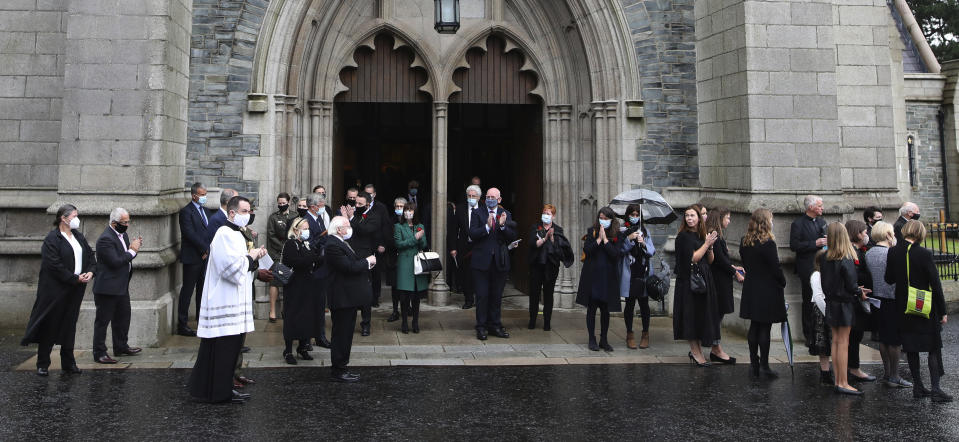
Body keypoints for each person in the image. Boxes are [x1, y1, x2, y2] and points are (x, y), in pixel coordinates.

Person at [188, 196, 266, 403]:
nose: (248, 215)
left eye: (249, 211)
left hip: (234, 301)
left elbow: (241, 266)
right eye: (244, 211)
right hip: (224, 301)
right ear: (231, 213)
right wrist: (252, 256)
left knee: (230, 351)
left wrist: (253, 258)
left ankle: (221, 389)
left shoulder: (237, 234)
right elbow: (230, 269)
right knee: (222, 352)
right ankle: (218, 393)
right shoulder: (224, 233)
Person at [21, 204, 95, 376]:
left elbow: (91, 256)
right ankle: (43, 363)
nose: (77, 219)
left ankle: (68, 362)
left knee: (70, 325)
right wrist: (73, 278)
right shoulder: (52, 239)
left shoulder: (78, 236)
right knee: (51, 324)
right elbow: (53, 265)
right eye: (74, 216)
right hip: (56, 290)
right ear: (64, 218)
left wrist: (91, 272)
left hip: (76, 288)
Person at [884, 220, 951, 402]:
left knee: (911, 347)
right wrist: (943, 311)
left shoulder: (893, 251)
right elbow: (935, 284)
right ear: (920, 233)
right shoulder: (924, 253)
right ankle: (936, 389)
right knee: (934, 347)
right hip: (924, 305)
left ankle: (918, 387)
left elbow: (888, 279)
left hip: (903, 305)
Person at [818, 222, 871, 395]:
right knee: (843, 343)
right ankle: (843, 382)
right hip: (844, 303)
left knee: (835, 341)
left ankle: (839, 380)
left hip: (831, 302)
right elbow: (851, 284)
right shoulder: (846, 257)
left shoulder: (825, 256)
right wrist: (859, 292)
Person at [325, 216, 376, 382]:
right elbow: (348, 267)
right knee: (341, 334)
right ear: (339, 229)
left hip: (348, 297)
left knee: (346, 334)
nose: (350, 228)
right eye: (347, 226)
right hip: (342, 297)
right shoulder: (332, 244)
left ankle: (342, 366)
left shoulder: (340, 242)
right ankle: (338, 370)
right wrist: (367, 262)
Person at [738, 208, 786, 378]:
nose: (772, 222)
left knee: (754, 326)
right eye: (771, 219)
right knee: (764, 327)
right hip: (767, 289)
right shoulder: (768, 243)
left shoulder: (744, 241)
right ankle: (764, 366)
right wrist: (782, 281)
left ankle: (754, 363)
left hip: (751, 287)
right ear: (766, 222)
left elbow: (746, 264)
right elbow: (776, 268)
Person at [91, 208, 143, 364]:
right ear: (114, 223)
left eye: (128, 221)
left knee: (123, 316)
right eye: (124, 222)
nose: (127, 225)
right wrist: (133, 250)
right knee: (103, 321)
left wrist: (134, 247)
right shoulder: (105, 239)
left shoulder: (123, 235)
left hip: (121, 285)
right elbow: (116, 261)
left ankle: (121, 346)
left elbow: (125, 255)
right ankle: (99, 352)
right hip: (107, 287)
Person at [865, 221, 912, 388]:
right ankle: (895, 375)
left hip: (877, 299)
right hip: (893, 298)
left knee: (883, 339)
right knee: (895, 340)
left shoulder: (869, 253)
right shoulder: (890, 253)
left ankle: (887, 373)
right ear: (888, 235)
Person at [673, 205, 720, 366]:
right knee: (691, 317)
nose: (689, 218)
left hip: (704, 280)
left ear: (699, 218)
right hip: (689, 282)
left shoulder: (701, 236)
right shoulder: (683, 237)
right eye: (687, 216)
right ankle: (695, 351)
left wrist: (710, 247)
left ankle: (698, 350)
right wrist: (706, 244)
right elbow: (693, 258)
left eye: (692, 215)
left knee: (700, 316)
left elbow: (710, 260)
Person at [468, 187, 518, 340]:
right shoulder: (478, 213)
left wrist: (502, 226)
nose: (490, 199)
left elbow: (512, 236)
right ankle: (481, 326)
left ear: (499, 199)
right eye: (488, 196)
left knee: (496, 296)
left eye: (493, 197)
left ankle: (495, 325)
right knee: (482, 296)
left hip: (499, 262)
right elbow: (472, 234)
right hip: (481, 262)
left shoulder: (506, 214)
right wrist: (487, 227)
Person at [576, 207, 626, 351]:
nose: (603, 221)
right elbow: (587, 250)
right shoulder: (592, 230)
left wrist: (605, 240)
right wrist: (598, 239)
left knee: (605, 309)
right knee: (591, 309)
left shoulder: (618, 234)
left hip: (608, 277)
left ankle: (604, 339)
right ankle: (592, 339)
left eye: (606, 218)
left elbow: (615, 255)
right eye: (601, 218)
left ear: (611, 219)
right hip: (592, 275)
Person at [280, 217, 323, 364]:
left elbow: (314, 260)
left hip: (307, 284)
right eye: (304, 228)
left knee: (307, 316)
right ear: (296, 230)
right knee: (293, 316)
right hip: (294, 286)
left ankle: (303, 347)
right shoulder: (291, 244)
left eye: (307, 228)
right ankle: (288, 350)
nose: (307, 231)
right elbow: (295, 262)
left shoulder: (305, 244)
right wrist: (312, 257)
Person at [789, 195, 827, 356]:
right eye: (819, 205)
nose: (822, 208)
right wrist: (815, 244)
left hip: (823, 266)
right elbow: (794, 245)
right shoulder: (798, 224)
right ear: (810, 207)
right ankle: (809, 334)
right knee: (809, 301)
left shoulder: (822, 222)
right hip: (807, 268)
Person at [527, 204, 573, 331]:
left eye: (548, 214)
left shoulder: (558, 230)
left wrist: (552, 238)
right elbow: (532, 243)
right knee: (534, 294)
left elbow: (560, 250)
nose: (546, 216)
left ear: (553, 216)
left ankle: (547, 322)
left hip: (550, 266)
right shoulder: (536, 227)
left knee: (548, 294)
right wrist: (544, 238)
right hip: (536, 265)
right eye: (544, 213)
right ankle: (532, 320)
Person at [704, 207, 740, 364]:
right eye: (728, 218)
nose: (729, 221)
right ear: (720, 219)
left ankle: (715, 348)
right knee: (717, 316)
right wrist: (735, 272)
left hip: (719, 280)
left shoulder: (717, 236)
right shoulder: (715, 236)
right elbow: (721, 261)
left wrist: (734, 267)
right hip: (718, 282)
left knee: (718, 316)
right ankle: (716, 348)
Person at [343, 192, 381, 337]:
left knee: (365, 293)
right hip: (349, 256)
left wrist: (350, 217)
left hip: (365, 258)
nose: (356, 205)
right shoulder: (352, 215)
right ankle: (350, 322)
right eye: (355, 203)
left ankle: (366, 324)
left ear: (367, 204)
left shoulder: (373, 217)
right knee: (350, 291)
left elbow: (364, 230)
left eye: (359, 204)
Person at [177, 183, 213, 336]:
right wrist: (203, 249)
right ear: (194, 195)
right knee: (188, 290)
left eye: (205, 194)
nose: (204, 197)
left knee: (202, 290)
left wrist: (208, 249)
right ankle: (182, 324)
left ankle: (201, 321)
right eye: (201, 194)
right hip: (192, 257)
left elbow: (210, 230)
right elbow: (189, 233)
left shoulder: (206, 211)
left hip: (205, 257)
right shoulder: (186, 212)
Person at [844, 220, 876, 382]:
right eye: (864, 232)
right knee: (854, 335)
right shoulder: (852, 253)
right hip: (855, 298)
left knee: (855, 336)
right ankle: (853, 368)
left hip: (857, 297)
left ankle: (852, 367)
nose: (866, 235)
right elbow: (855, 275)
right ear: (856, 233)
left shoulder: (858, 251)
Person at [620, 204, 655, 349]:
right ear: (627, 215)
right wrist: (629, 238)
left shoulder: (645, 231)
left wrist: (643, 243)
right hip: (630, 273)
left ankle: (645, 334)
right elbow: (620, 249)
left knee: (644, 305)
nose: (634, 217)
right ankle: (629, 334)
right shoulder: (622, 230)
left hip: (643, 272)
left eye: (637, 215)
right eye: (632, 215)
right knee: (629, 304)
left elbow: (652, 251)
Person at [394, 202, 429, 333]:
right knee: (404, 296)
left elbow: (424, 244)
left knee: (416, 297)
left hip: (417, 263)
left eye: (411, 210)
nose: (408, 212)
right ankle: (404, 322)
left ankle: (415, 322)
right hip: (405, 263)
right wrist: (414, 238)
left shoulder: (420, 226)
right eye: (406, 210)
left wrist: (420, 238)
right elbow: (399, 244)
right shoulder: (398, 226)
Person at [302, 193, 331, 348]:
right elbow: (309, 242)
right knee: (310, 306)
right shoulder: (306, 220)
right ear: (313, 207)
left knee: (320, 305)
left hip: (321, 267)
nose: (323, 208)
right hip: (312, 268)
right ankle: (306, 339)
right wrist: (321, 238)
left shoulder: (319, 218)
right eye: (321, 205)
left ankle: (320, 336)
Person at [449, 185, 483, 309]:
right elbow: (453, 230)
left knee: (479, 274)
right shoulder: (460, 209)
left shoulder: (484, 209)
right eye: (469, 196)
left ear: (479, 197)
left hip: (480, 246)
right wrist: (453, 247)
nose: (471, 198)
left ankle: (479, 298)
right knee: (466, 274)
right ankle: (468, 299)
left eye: (474, 196)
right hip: (465, 246)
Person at [266, 192, 292, 323]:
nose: (282, 205)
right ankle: (272, 311)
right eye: (279, 203)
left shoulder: (295, 215)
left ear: (289, 202)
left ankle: (287, 310)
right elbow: (271, 235)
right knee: (275, 281)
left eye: (284, 203)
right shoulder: (273, 217)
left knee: (290, 282)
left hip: (292, 253)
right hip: (277, 253)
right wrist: (283, 246)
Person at [364, 184, 390, 309]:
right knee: (364, 272)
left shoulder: (381, 207)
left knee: (376, 273)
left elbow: (386, 226)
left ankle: (375, 298)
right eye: (366, 193)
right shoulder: (361, 205)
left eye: (370, 193)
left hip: (377, 244)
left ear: (374, 194)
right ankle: (364, 298)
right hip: (364, 245)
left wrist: (383, 244)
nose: (368, 195)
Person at [385, 197, 407, 322]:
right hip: (394, 258)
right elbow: (388, 239)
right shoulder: (390, 221)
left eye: (401, 206)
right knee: (395, 287)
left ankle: (407, 307)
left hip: (407, 258)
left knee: (407, 286)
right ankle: (395, 310)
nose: (399, 209)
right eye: (397, 206)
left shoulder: (410, 221)